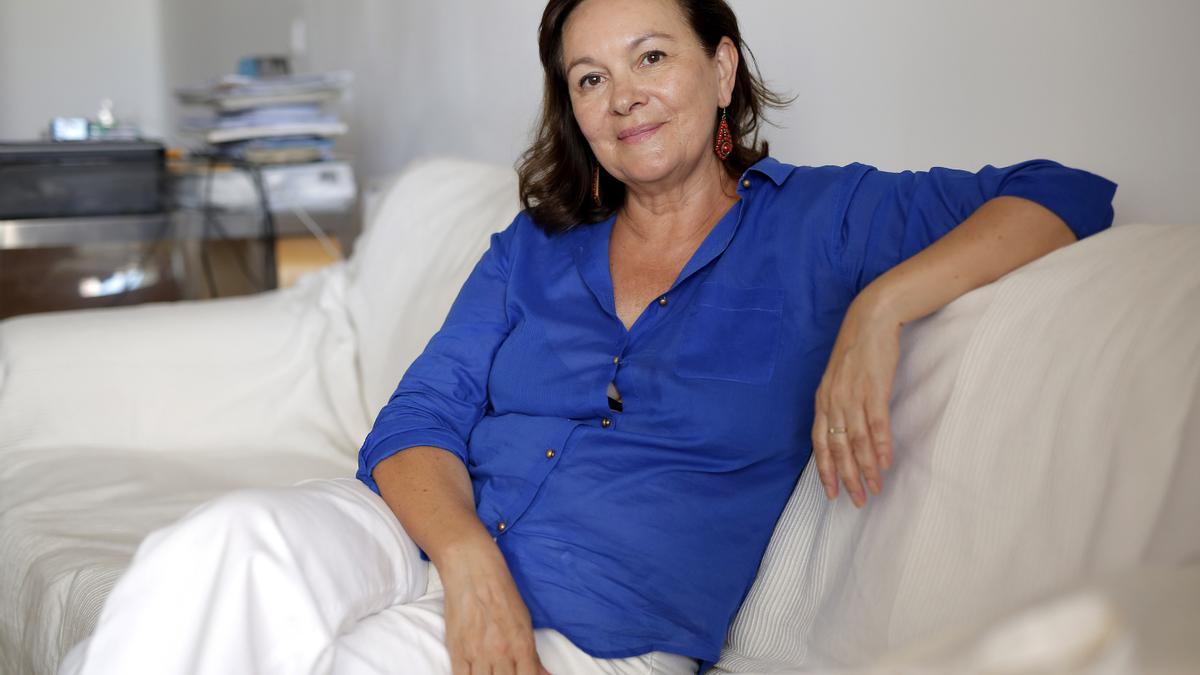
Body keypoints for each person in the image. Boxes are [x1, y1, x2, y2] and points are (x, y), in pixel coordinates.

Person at [61, 0, 1117, 673]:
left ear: (722, 65)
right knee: (220, 546)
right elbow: (416, 420)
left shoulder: (824, 221)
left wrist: (880, 310)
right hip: (419, 537)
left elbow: (1065, 192)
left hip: (589, 628)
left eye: (652, 55)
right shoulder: (537, 246)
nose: (625, 98)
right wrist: (467, 557)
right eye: (591, 78)